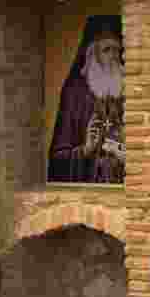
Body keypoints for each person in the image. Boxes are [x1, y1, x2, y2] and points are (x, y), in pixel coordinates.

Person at [49, 27, 127, 183]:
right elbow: (58, 159)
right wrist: (85, 150)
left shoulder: (129, 90)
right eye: (106, 50)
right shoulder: (75, 93)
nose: (113, 56)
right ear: (93, 55)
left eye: (117, 50)